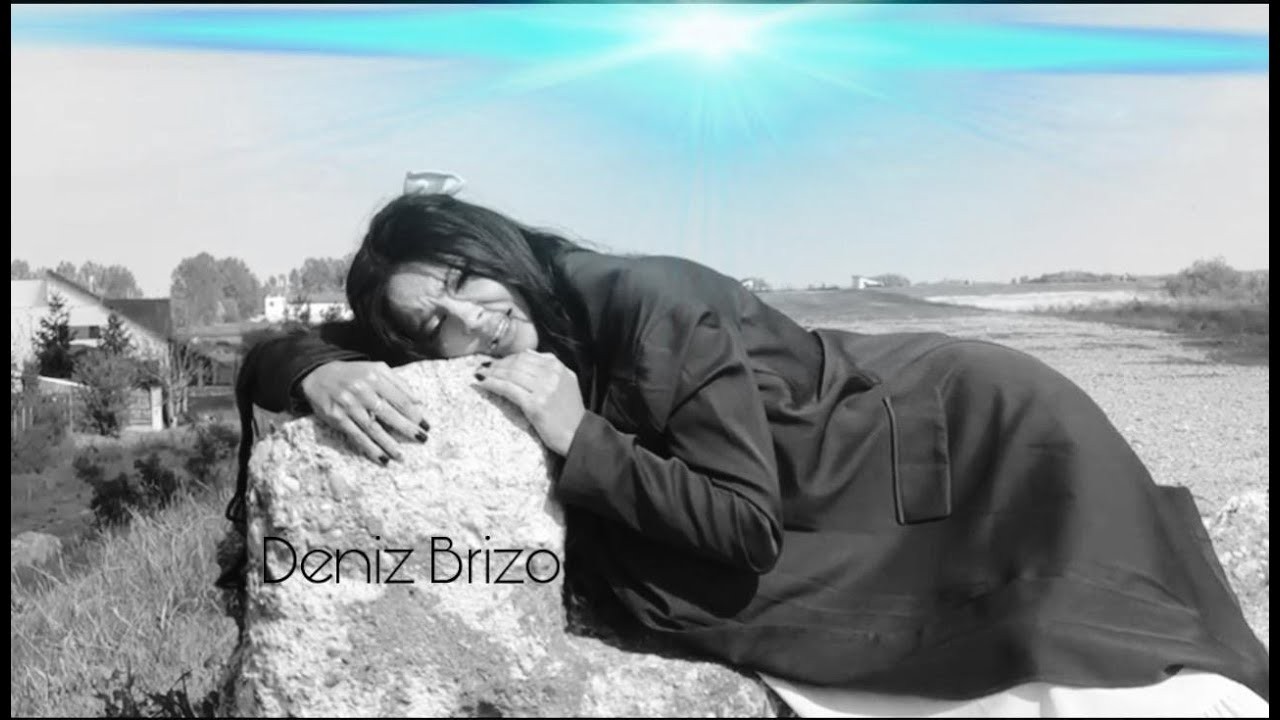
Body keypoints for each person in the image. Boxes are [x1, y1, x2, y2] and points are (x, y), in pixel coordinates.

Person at [217, 191, 1269, 715]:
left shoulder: (648, 301)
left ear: (494, 248)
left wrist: (578, 436)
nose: (468, 320)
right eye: (427, 324)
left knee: (1071, 642)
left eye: (462, 278)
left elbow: (742, 525)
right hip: (819, 446)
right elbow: (275, 346)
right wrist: (312, 372)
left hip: (959, 434)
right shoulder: (487, 327)